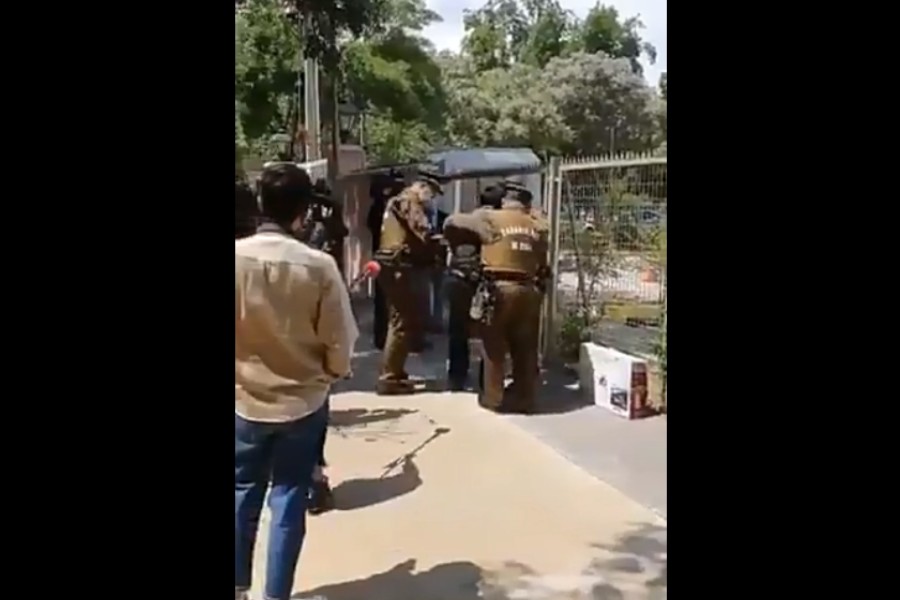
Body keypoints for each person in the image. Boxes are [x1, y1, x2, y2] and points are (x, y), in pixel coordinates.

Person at [235, 162, 359, 600]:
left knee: (241, 492)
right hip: (303, 403)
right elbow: (340, 338)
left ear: (261, 203)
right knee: (289, 498)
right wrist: (332, 373)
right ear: (304, 212)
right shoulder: (319, 266)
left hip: (244, 400)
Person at [443, 180, 549, 413]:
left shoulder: (490, 218)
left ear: (505, 201)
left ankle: (493, 397)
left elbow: (452, 222)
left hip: (498, 288)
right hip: (529, 289)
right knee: (525, 347)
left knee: (493, 345)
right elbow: (542, 257)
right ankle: (525, 398)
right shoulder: (538, 224)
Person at [295, 177, 349, 515]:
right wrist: (337, 365)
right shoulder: (311, 234)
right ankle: (313, 480)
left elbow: (341, 232)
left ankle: (311, 482)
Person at [374, 168, 445, 395]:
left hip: (393, 264)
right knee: (402, 322)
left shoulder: (397, 201)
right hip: (400, 266)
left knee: (401, 320)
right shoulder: (409, 201)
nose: (431, 199)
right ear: (422, 187)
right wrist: (442, 240)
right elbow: (422, 230)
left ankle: (395, 371)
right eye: (431, 193)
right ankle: (389, 378)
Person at [444, 185, 504, 390]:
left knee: (458, 330)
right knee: (488, 330)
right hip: (479, 282)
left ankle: (456, 377)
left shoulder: (464, 220)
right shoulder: (496, 222)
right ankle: (486, 380)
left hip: (456, 278)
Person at [367, 170, 405, 350]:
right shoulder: (383, 210)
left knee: (384, 300)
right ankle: (383, 337)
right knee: (386, 300)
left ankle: (383, 337)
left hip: (383, 257)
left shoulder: (382, 209)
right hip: (385, 258)